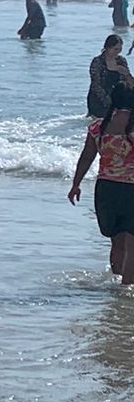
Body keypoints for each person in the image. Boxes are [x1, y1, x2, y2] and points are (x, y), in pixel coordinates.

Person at [71, 80, 134, 284]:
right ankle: (126, 290)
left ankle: (117, 283)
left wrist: (76, 184)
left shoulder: (98, 127)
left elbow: (87, 156)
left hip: (106, 189)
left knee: (116, 241)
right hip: (131, 188)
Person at [88, 35, 131, 119]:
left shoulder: (121, 61)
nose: (117, 52)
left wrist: (126, 73)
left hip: (117, 98)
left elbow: (128, 84)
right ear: (107, 47)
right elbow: (96, 85)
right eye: (115, 49)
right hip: (98, 99)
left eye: (120, 49)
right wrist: (109, 102)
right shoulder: (97, 61)